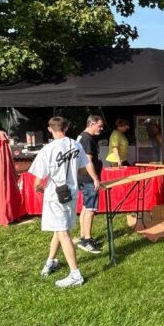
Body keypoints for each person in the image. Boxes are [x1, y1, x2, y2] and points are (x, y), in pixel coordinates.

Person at [29, 116, 99, 288]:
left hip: (55, 196)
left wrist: (38, 187)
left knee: (62, 232)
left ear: (49, 129)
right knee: (59, 229)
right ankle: (50, 261)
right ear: (66, 128)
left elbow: (38, 179)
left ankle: (75, 274)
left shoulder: (48, 149)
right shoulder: (76, 145)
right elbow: (83, 169)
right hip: (72, 194)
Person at [75, 114, 105, 254]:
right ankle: (87, 240)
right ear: (91, 124)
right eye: (99, 126)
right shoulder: (87, 139)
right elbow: (87, 161)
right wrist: (95, 178)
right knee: (91, 209)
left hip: (82, 177)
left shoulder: (82, 136)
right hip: (88, 179)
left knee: (85, 207)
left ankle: (83, 237)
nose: (101, 128)